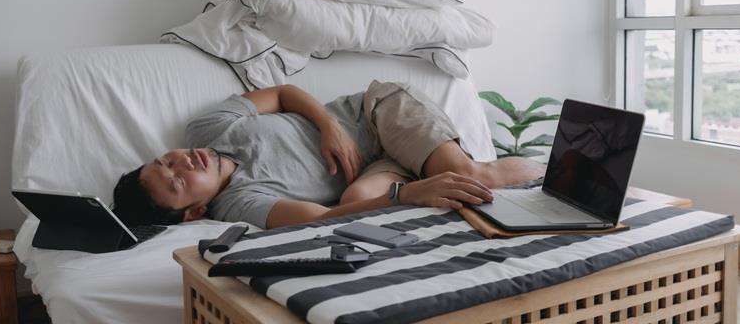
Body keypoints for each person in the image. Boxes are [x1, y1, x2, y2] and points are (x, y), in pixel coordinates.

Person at [112, 81, 544, 229]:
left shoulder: (207, 129)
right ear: (194, 212)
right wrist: (406, 195)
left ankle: (564, 170)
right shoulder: (239, 203)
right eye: (176, 181)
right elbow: (323, 218)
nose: (182, 162)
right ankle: (419, 176)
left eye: (165, 161)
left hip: (374, 114)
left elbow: (283, 93)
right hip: (376, 167)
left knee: (472, 177)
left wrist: (328, 125)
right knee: (357, 202)